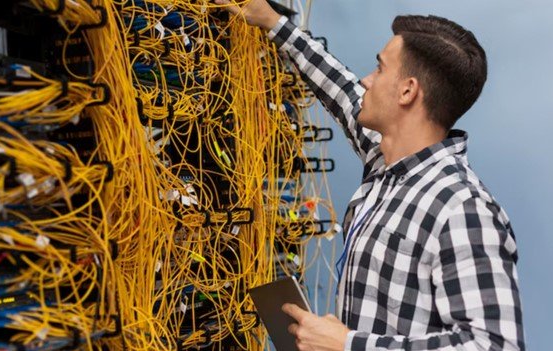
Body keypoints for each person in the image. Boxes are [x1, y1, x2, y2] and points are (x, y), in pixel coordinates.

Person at [214, 0, 525, 350]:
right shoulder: (388, 164)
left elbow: (495, 345)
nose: (366, 79)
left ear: (407, 91)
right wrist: (273, 23)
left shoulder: (462, 209)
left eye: (379, 69)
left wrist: (349, 344)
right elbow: (344, 92)